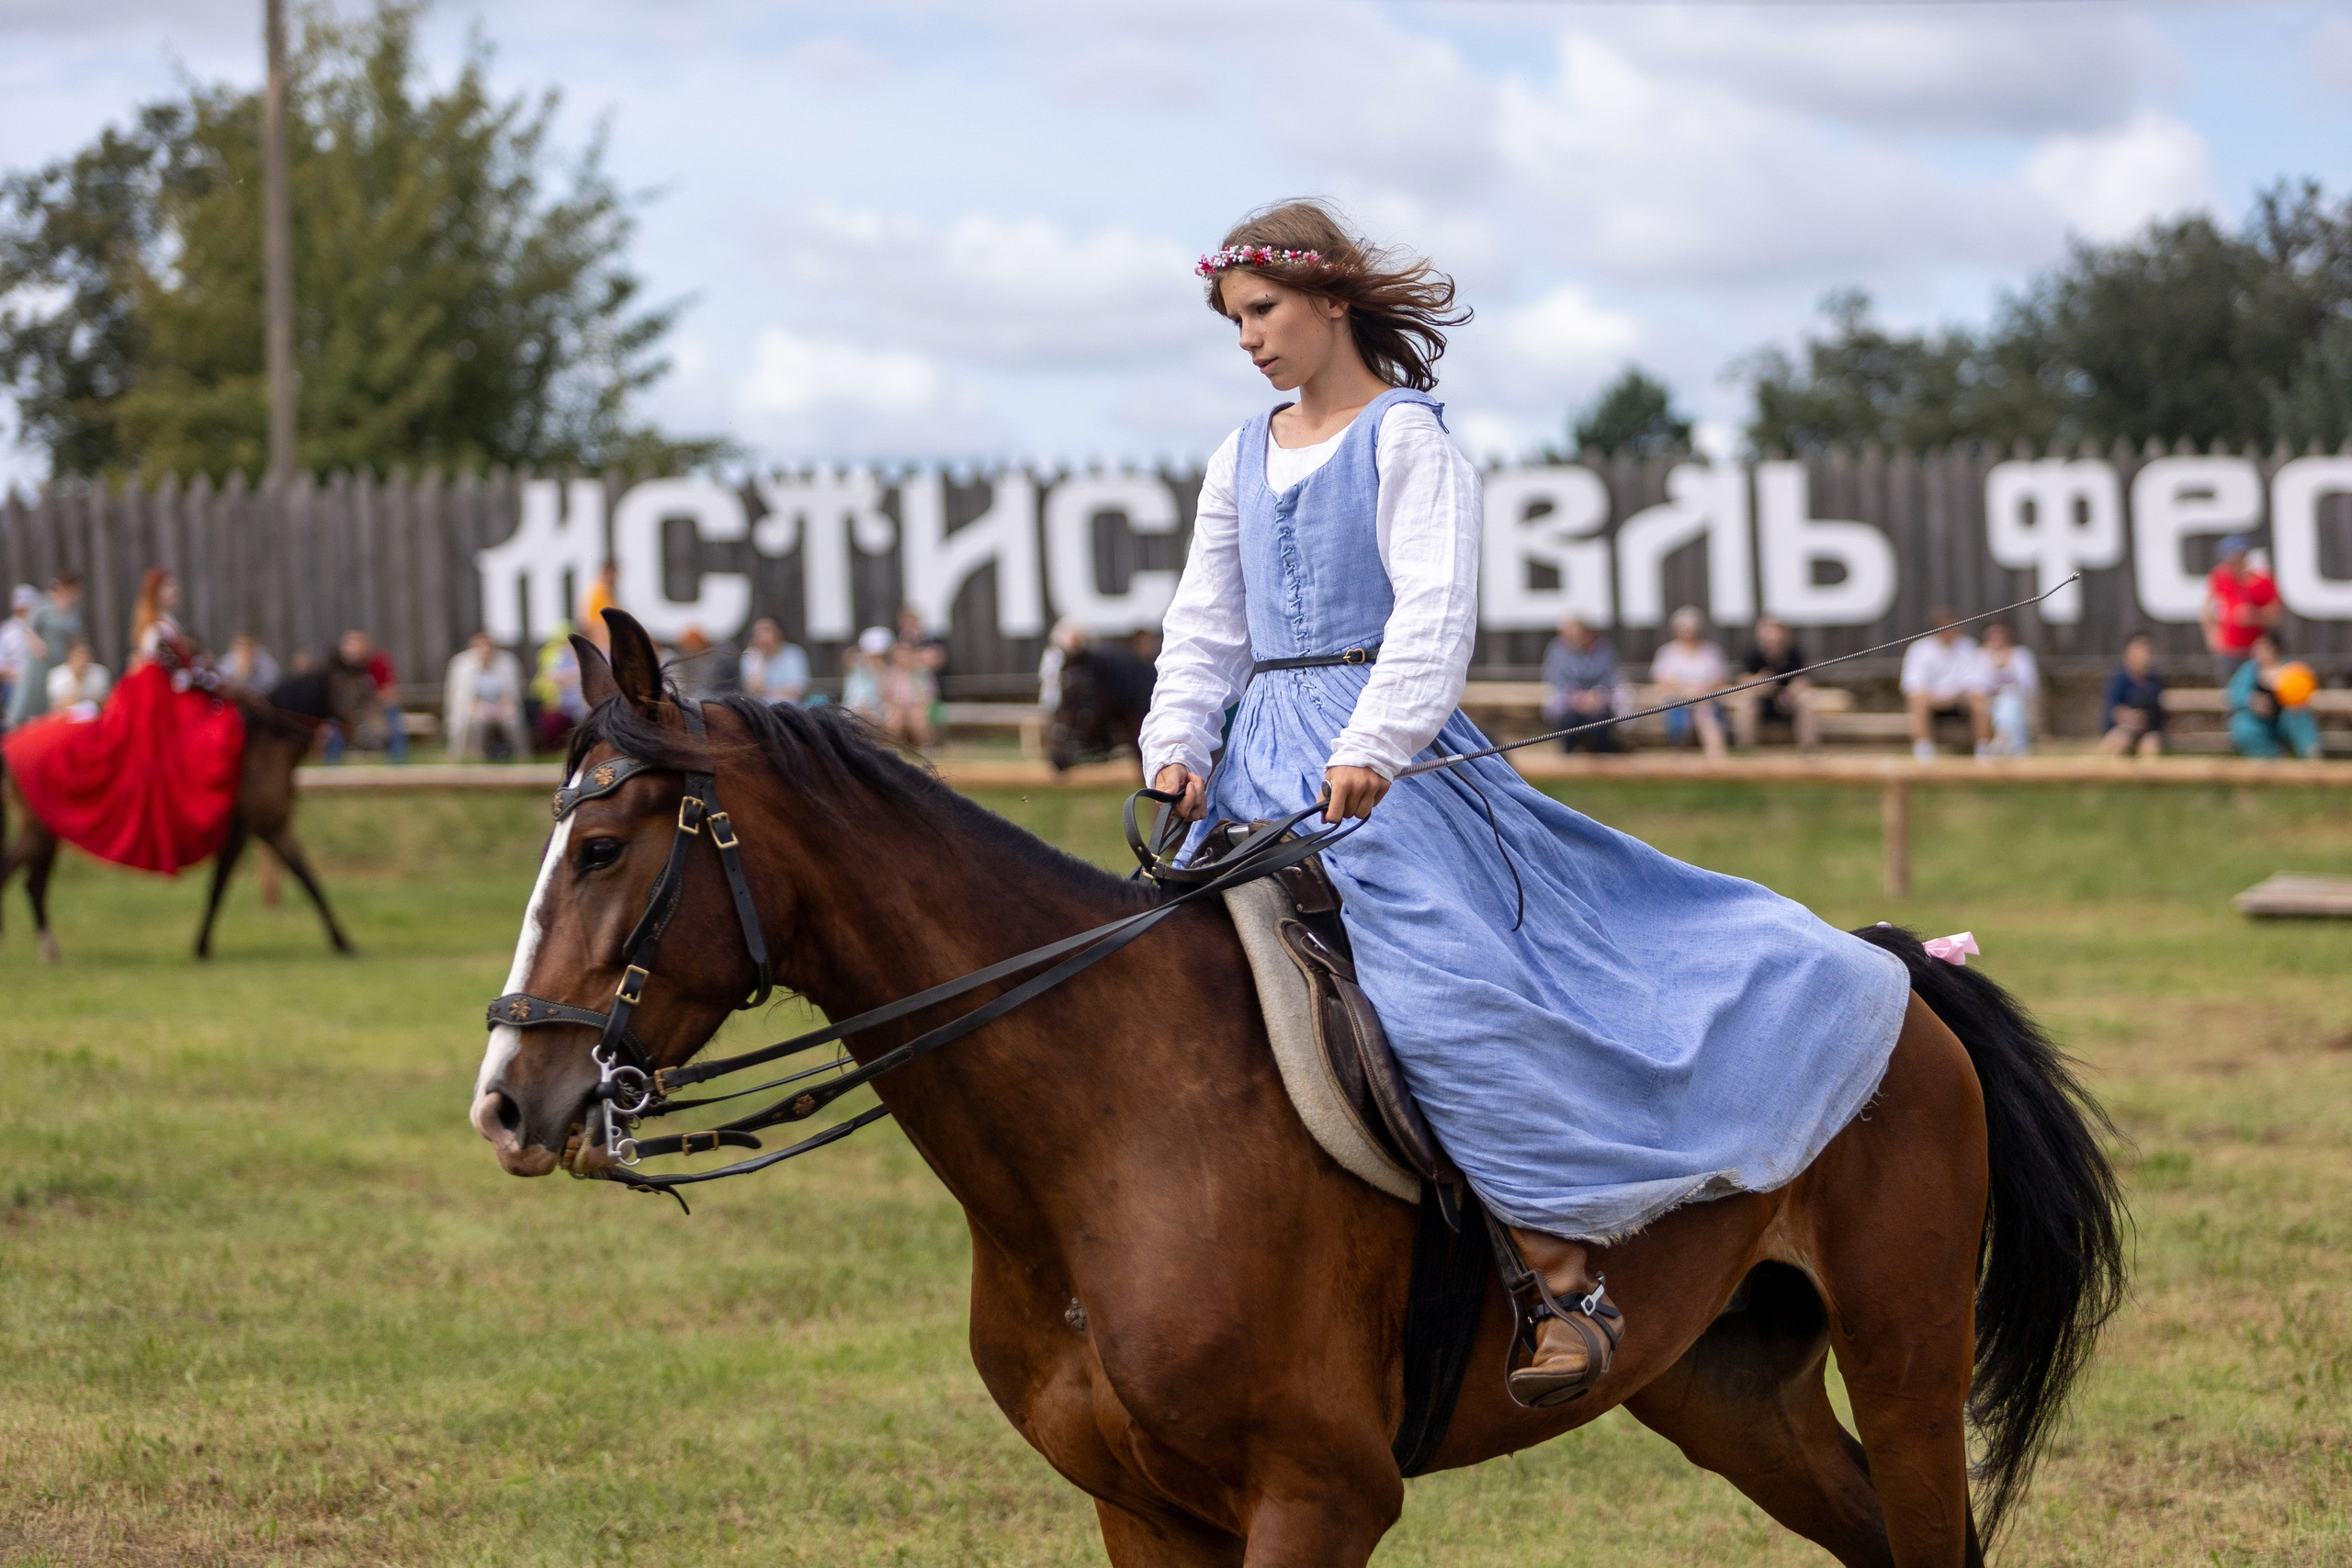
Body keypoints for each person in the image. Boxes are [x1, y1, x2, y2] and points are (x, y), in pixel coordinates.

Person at [1138, 201, 1909, 1408]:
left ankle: (1563, 1279)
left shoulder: (1407, 440)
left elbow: (1433, 614)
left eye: (1264, 312)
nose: (1248, 340)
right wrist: (1179, 746)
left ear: (1332, 300)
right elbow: (1205, 625)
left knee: (1436, 991)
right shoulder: (1239, 455)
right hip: (1250, 767)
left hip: (1380, 768)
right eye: (1234, 321)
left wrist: (1375, 743)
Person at [0, 567, 243, 875]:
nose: (175, 592)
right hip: (152, 702)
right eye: (169, 587)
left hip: (161, 698)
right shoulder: (155, 630)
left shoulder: (167, 625)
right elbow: (168, 670)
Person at [1900, 607, 1990, 761]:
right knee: (1917, 701)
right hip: (1932, 703)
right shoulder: (1919, 649)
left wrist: (1954, 696)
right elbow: (1912, 686)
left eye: (1954, 625)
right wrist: (1939, 698)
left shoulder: (1969, 647)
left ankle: (1984, 753)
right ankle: (1924, 755)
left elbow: (1977, 683)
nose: (1952, 630)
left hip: (1961, 702)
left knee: (1979, 700)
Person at [1650, 606, 1728, 759]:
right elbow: (1661, 680)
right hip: (1678, 702)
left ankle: (1716, 757)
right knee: (1695, 715)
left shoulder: (1711, 651)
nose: (1688, 632)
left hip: (1707, 700)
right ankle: (1711, 757)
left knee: (1704, 711)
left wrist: (1702, 691)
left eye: (1691, 628)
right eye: (1684, 628)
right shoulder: (1667, 652)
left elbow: (1720, 678)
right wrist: (1686, 691)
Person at [7, 571, 83, 730]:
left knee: (55, 693)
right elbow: (28, 628)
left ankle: (48, 726)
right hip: (40, 659)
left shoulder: (74, 611)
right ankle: (16, 726)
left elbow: (75, 636)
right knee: (32, 693)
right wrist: (38, 646)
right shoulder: (45, 604)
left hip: (60, 658)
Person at [1730, 615, 1816, 751]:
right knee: (1746, 702)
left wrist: (1790, 693)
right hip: (1762, 700)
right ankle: (1745, 749)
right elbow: (1743, 679)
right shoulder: (1753, 653)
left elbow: (1803, 680)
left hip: (1787, 700)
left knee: (1806, 699)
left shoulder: (1794, 652)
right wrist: (1759, 683)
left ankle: (1809, 748)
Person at [2228, 633, 2321, 760]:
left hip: (2285, 720)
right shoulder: (2248, 670)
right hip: (2259, 721)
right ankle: (2270, 756)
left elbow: (2306, 692)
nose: (2259, 651)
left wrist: (2297, 701)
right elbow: (2235, 693)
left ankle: (2311, 754)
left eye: (2263, 647)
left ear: (2275, 648)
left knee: (2298, 714)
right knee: (2242, 724)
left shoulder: (2293, 670)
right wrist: (2251, 701)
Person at [443, 629, 529, 762]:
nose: (485, 650)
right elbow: (461, 697)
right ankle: (476, 755)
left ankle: (522, 755)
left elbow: (512, 693)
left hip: (501, 706)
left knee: (513, 719)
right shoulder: (463, 666)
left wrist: (502, 706)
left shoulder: (506, 663)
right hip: (476, 707)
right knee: (477, 722)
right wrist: (479, 707)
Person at [1540, 616, 1623, 752]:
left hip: (1598, 703)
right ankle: (1568, 760)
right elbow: (1556, 679)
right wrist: (1577, 698)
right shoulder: (1557, 651)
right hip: (1569, 704)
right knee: (1568, 722)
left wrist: (1596, 696)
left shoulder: (1603, 649)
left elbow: (1611, 678)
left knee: (1600, 723)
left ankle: (1605, 761)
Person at [2202, 535, 2279, 678]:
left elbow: (2276, 617)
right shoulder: (2220, 577)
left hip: (2256, 651)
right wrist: (2212, 635)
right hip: (2228, 649)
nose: (2231, 563)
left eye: (2235, 557)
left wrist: (2255, 616)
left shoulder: (2262, 580)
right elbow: (2207, 609)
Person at [324, 629, 406, 763]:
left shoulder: (377, 662)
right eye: (348, 644)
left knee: (393, 713)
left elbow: (390, 693)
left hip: (373, 709)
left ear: (365, 646)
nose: (351, 649)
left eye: (355, 644)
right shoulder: (337, 666)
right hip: (345, 710)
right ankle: (332, 764)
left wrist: (370, 701)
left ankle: (398, 763)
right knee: (333, 721)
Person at [2098, 633, 2166, 757]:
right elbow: (2113, 709)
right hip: (2123, 729)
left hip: (2148, 732)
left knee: (2151, 746)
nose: (2144, 654)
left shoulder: (2155, 681)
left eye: (2147, 650)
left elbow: (2158, 714)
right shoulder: (2119, 679)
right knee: (2119, 741)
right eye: (2139, 649)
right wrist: (2131, 718)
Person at [1977, 622, 2038, 757]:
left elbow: (2029, 683)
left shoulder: (2021, 654)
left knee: (2009, 698)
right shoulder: (1981, 656)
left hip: (2017, 697)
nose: (1997, 638)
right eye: (1992, 635)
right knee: (2005, 700)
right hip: (1988, 699)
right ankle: (2017, 747)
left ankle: (2003, 738)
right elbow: (1978, 684)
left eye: (2000, 634)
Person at [885, 612, 942, 750]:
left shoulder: (921, 672)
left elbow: (928, 695)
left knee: (917, 715)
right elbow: (886, 693)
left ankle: (926, 746)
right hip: (898, 705)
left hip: (918, 704)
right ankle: (892, 747)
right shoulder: (892, 673)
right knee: (894, 715)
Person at [532, 621, 589, 752]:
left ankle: (582, 748)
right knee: (552, 720)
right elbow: (551, 679)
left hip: (582, 702)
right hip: (560, 701)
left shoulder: (585, 654)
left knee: (585, 714)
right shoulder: (556, 656)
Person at [739, 617, 810, 705]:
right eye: (757, 632)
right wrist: (761, 659)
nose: (761, 636)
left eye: (766, 631)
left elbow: (798, 689)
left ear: (778, 633)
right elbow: (752, 689)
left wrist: (766, 691)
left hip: (789, 709)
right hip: (760, 710)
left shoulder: (793, 653)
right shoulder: (750, 655)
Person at [0, 584, 37, 725]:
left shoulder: (42, 630)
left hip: (39, 681)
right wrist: (19, 675)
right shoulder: (6, 631)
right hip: (14, 683)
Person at [45, 638, 111, 715]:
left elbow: (105, 701)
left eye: (86, 654)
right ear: (70, 655)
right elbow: (56, 706)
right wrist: (77, 678)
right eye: (78, 654)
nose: (82, 658)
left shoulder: (100, 672)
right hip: (66, 718)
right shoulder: (56, 675)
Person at [1037, 617, 1090, 711]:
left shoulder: (1086, 658)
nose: (1074, 642)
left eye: (1077, 638)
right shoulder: (1054, 657)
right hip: (1057, 706)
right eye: (1072, 638)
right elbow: (1048, 678)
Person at [842, 626, 890, 723]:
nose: (876, 659)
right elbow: (848, 658)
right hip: (856, 708)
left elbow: (885, 696)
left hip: (879, 709)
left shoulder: (889, 670)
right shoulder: (858, 663)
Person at [217, 631, 280, 696]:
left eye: (249, 645)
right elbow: (225, 685)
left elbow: (271, 684)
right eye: (241, 645)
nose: (245, 649)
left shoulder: (266, 661)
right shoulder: (226, 662)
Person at [580, 560, 620, 651]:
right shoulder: (598, 591)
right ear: (605, 572)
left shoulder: (607, 592)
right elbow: (586, 622)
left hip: (608, 645)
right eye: (613, 574)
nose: (616, 578)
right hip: (602, 645)